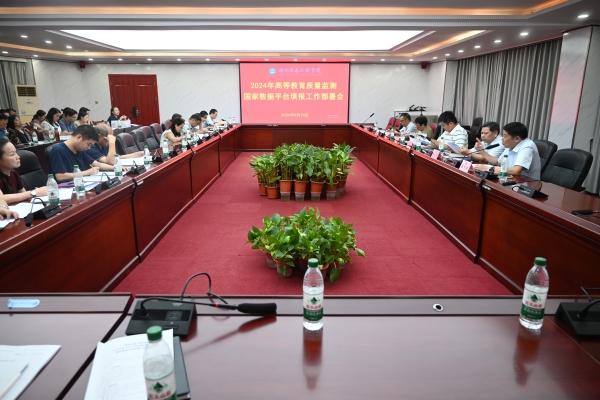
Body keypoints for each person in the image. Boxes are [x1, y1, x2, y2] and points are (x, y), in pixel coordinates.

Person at [475, 122, 542, 180]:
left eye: (505, 136)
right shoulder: (511, 144)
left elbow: (516, 171)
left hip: (526, 184)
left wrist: (489, 169)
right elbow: (498, 162)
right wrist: (482, 151)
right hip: (511, 179)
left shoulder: (527, 146)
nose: (502, 139)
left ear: (516, 138)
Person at [49, 124, 114, 182]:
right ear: (79, 137)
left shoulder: (80, 150)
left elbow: (96, 164)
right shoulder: (58, 150)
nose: (89, 148)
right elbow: (60, 176)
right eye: (88, 144)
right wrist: (87, 172)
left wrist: (115, 168)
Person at [0, 138, 48, 204]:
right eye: (12, 154)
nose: (18, 157)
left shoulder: (13, 173)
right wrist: (33, 192)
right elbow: (1, 199)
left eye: (16, 152)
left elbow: (23, 195)